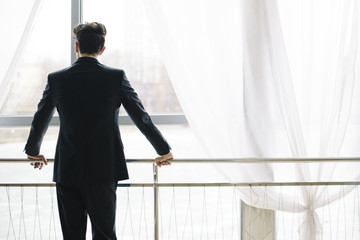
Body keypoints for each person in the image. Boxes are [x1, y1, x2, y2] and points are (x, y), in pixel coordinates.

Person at [24, 22, 173, 240]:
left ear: (77, 47)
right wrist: (163, 149)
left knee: (72, 235)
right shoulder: (115, 77)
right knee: (104, 233)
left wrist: (33, 150)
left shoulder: (57, 79)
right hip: (104, 169)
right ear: (102, 49)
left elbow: (40, 118)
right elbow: (141, 117)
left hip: (68, 169)